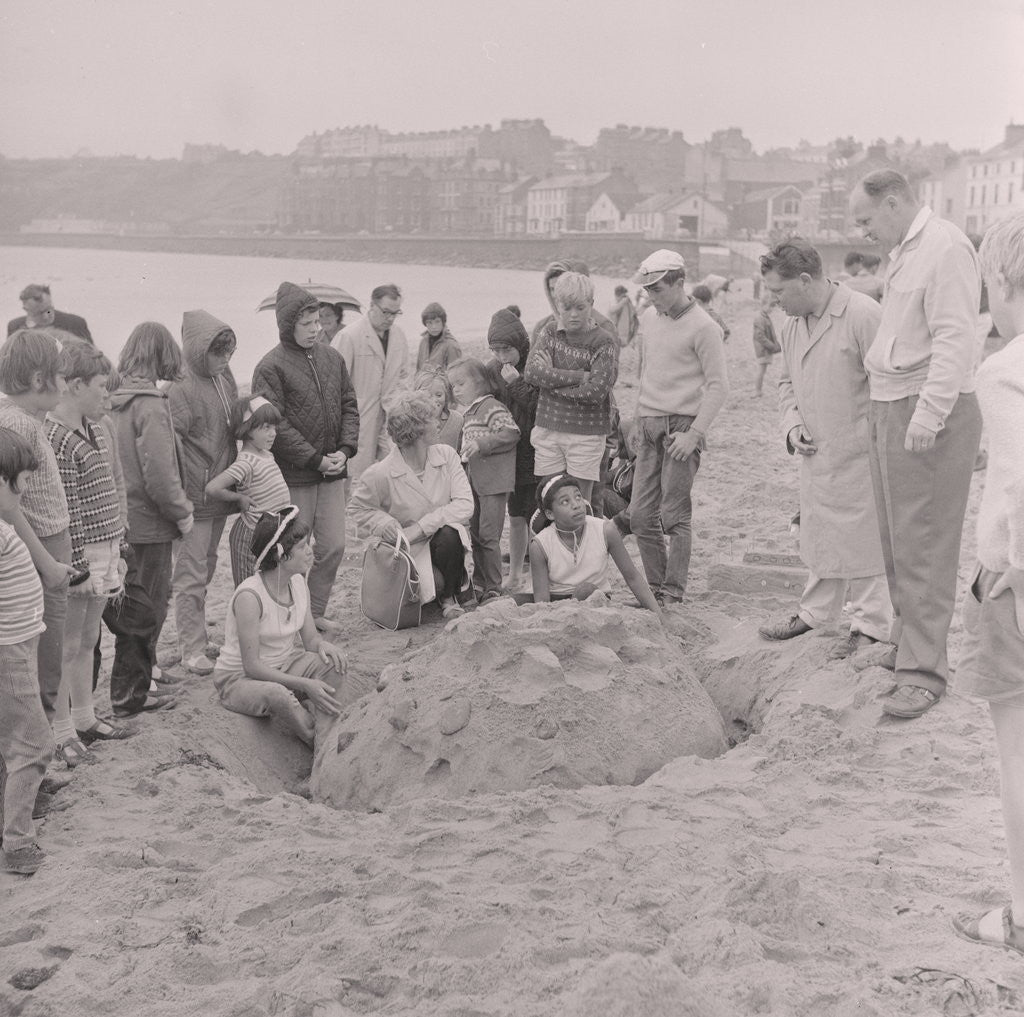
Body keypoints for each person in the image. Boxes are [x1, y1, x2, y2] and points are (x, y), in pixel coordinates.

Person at [851, 168, 984, 719]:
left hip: (925, 406)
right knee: (895, 537)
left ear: (895, 202)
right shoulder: (905, 250)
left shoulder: (945, 246)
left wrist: (930, 413)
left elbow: (956, 335)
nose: (862, 233)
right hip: (890, 401)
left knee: (924, 541)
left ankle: (924, 672)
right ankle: (908, 644)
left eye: (865, 220)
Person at [755, 239, 891, 659]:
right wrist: (792, 423)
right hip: (816, 452)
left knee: (867, 539)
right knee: (820, 534)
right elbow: (786, 384)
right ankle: (815, 613)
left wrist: (867, 436)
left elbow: (891, 385)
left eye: (778, 291)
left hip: (863, 452)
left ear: (805, 279)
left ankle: (871, 626)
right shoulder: (791, 325)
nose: (773, 301)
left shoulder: (864, 315)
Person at [952, 211, 1024, 956]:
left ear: (1001, 279)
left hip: (1015, 582)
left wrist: (1016, 564)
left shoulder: (1005, 369)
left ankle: (1023, 913)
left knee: (1017, 755)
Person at [212, 508, 368, 746]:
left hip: (283, 667)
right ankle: (314, 739)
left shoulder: (297, 583)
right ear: (280, 555)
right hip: (239, 679)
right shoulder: (250, 597)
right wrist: (304, 684)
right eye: (303, 547)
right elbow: (251, 666)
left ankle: (323, 737)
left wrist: (324, 645)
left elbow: (311, 641)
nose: (310, 551)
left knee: (334, 664)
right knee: (278, 695)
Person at [252, 282, 360, 628]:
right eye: (308, 324)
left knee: (333, 547)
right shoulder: (269, 367)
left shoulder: (333, 357)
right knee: (293, 551)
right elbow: (274, 424)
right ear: (287, 325)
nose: (317, 329)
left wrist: (345, 450)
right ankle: (289, 617)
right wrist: (314, 459)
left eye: (319, 322)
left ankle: (313, 614)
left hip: (331, 473)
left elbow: (349, 406)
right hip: (295, 474)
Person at [45, 340, 132, 766]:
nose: (106, 395)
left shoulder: (99, 428)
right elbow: (68, 508)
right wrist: (76, 565)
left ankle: (84, 715)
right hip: (79, 554)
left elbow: (113, 488)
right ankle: (60, 731)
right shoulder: (55, 436)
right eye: (100, 386)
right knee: (67, 642)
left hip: (106, 545)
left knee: (90, 639)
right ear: (75, 384)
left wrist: (120, 542)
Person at [627, 250, 729, 605]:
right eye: (648, 290)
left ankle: (672, 591)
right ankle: (656, 586)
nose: (651, 297)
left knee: (674, 515)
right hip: (650, 424)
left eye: (657, 289)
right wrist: (637, 417)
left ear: (680, 283)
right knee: (640, 515)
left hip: (682, 427)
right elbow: (647, 372)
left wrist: (694, 434)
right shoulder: (649, 319)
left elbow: (719, 386)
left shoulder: (704, 327)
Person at [105, 323, 192, 717]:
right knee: (150, 606)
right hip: (151, 522)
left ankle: (145, 676)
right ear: (162, 355)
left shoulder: (114, 399)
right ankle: (132, 695)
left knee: (132, 606)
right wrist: (183, 512)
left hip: (121, 518)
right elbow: (160, 474)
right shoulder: (151, 404)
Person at [0, 331, 76, 720]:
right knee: (42, 661)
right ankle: (35, 754)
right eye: (60, 376)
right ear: (36, 380)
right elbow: (10, 507)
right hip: (38, 549)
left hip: (47, 544)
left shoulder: (28, 417)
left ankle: (41, 746)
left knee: (48, 656)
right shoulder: (17, 423)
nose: (65, 384)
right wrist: (47, 563)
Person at [350, 390, 475, 621]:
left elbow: (466, 505)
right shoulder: (380, 473)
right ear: (416, 430)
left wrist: (421, 527)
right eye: (432, 419)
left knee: (450, 533)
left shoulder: (447, 455)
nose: (439, 423)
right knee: (428, 583)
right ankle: (434, 588)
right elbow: (358, 509)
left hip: (440, 543)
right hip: (407, 550)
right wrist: (383, 522)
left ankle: (448, 598)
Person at [167, 310, 238, 675]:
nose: (224, 360)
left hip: (220, 494)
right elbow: (169, 444)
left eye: (228, 353)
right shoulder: (180, 386)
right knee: (191, 573)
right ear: (198, 350)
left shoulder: (224, 377)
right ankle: (190, 647)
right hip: (195, 496)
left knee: (207, 567)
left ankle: (196, 635)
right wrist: (179, 496)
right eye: (217, 353)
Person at [0, 428, 52, 875]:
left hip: (17, 647)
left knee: (11, 740)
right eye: (22, 479)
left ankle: (14, 810)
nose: (27, 487)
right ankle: (17, 844)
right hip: (8, 653)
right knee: (34, 743)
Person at [523, 272, 619, 503]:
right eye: (566, 308)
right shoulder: (549, 332)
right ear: (557, 304)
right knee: (550, 500)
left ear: (591, 305)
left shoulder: (603, 340)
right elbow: (531, 373)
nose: (573, 314)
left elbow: (596, 392)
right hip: (549, 427)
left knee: (580, 503)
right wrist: (579, 376)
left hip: (586, 432)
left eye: (580, 307)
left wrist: (551, 384)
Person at [530, 474, 661, 616]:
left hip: (595, 598)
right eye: (565, 502)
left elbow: (633, 577)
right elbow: (542, 601)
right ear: (550, 514)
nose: (576, 505)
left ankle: (614, 605)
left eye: (578, 497)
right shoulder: (540, 544)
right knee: (514, 601)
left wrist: (659, 616)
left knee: (585, 591)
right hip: (558, 603)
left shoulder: (605, 530)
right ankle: (619, 605)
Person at [448, 357, 519, 604]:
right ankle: (480, 582)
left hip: (494, 482)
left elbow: (511, 433)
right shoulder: (470, 412)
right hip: (476, 482)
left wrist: (482, 444)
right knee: (477, 533)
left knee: (489, 535)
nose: (455, 390)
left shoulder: (490, 406)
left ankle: (494, 587)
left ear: (479, 382)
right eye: (453, 386)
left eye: (460, 383)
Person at [205, 395, 291, 586]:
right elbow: (212, 487)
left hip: (270, 531)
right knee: (249, 585)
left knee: (269, 583)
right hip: (250, 535)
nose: (273, 433)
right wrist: (239, 497)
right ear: (247, 429)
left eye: (274, 427)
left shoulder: (267, 454)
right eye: (266, 428)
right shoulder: (246, 462)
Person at [486, 307, 538, 592]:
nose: (501, 357)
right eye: (495, 351)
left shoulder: (534, 365)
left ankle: (538, 573)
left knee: (538, 516)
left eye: (506, 350)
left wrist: (516, 383)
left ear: (519, 344)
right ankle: (516, 574)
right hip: (510, 454)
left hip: (537, 449)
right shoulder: (491, 370)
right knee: (516, 516)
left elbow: (539, 406)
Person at [334, 283, 409, 481]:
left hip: (391, 416)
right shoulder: (349, 336)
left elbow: (404, 375)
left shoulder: (399, 336)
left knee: (395, 473)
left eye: (396, 313)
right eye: (386, 312)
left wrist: (399, 401)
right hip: (358, 418)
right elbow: (335, 383)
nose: (390, 318)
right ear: (372, 306)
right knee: (355, 476)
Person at [7, 284, 91, 343]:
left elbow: (93, 361)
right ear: (26, 310)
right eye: (38, 313)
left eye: (48, 310)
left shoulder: (75, 324)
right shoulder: (14, 327)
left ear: (51, 302)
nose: (46, 317)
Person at [412, 368, 462, 451]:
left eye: (439, 395)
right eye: (428, 395)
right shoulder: (412, 422)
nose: (434, 400)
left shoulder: (457, 420)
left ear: (446, 396)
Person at [416, 302, 462, 372]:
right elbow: (418, 371)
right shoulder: (423, 342)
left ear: (443, 322)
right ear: (425, 324)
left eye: (437, 322)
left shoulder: (451, 346)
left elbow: (456, 377)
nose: (434, 327)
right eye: (429, 322)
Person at [752, 289, 781, 397]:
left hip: (765, 349)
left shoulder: (764, 317)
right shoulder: (759, 318)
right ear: (763, 305)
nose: (772, 309)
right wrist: (773, 346)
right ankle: (757, 390)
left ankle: (758, 390)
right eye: (771, 306)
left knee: (762, 370)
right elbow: (760, 336)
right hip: (763, 350)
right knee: (761, 370)